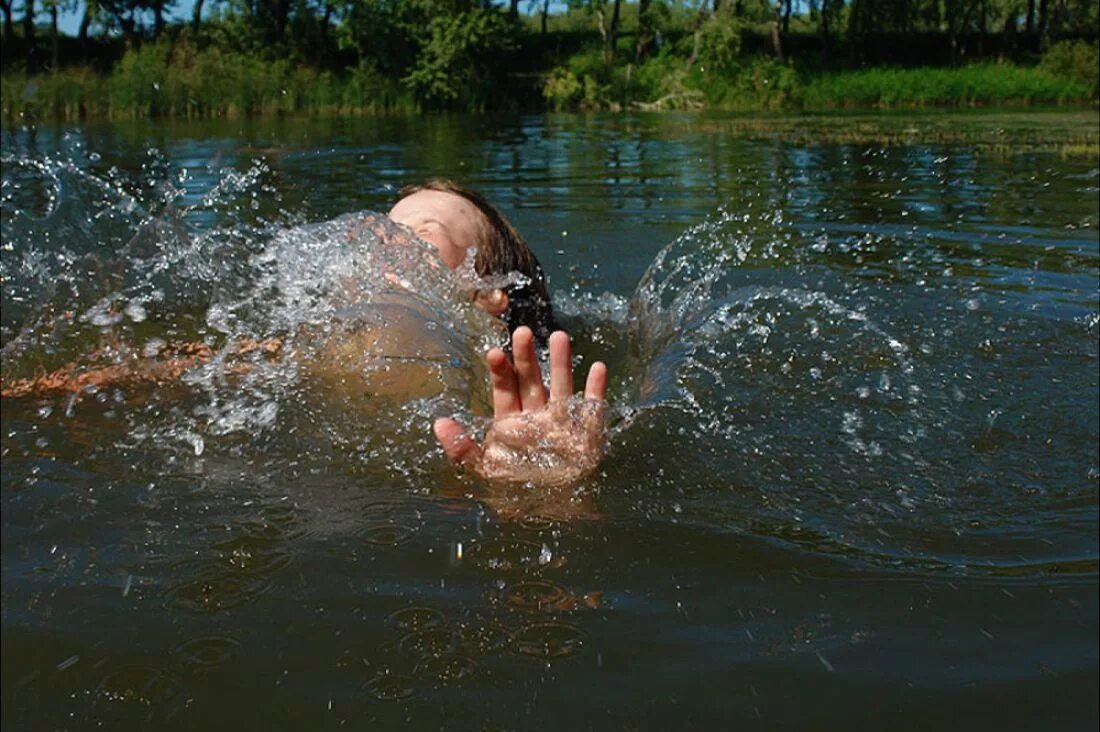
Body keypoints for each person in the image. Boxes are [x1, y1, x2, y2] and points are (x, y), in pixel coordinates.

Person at [0, 179, 609, 488]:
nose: (380, 241)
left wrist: (538, 488)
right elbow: (128, 380)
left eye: (417, 236)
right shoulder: (298, 350)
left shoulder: (504, 398)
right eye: (380, 228)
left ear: (488, 299)